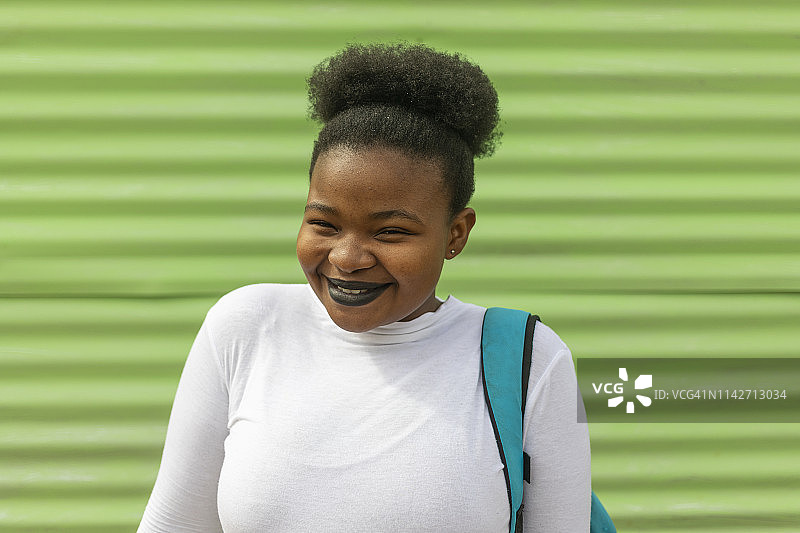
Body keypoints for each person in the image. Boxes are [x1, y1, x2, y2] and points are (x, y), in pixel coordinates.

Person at [138, 42, 590, 532]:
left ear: (456, 233)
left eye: (390, 232)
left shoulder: (528, 359)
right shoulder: (246, 328)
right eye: (324, 224)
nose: (347, 259)